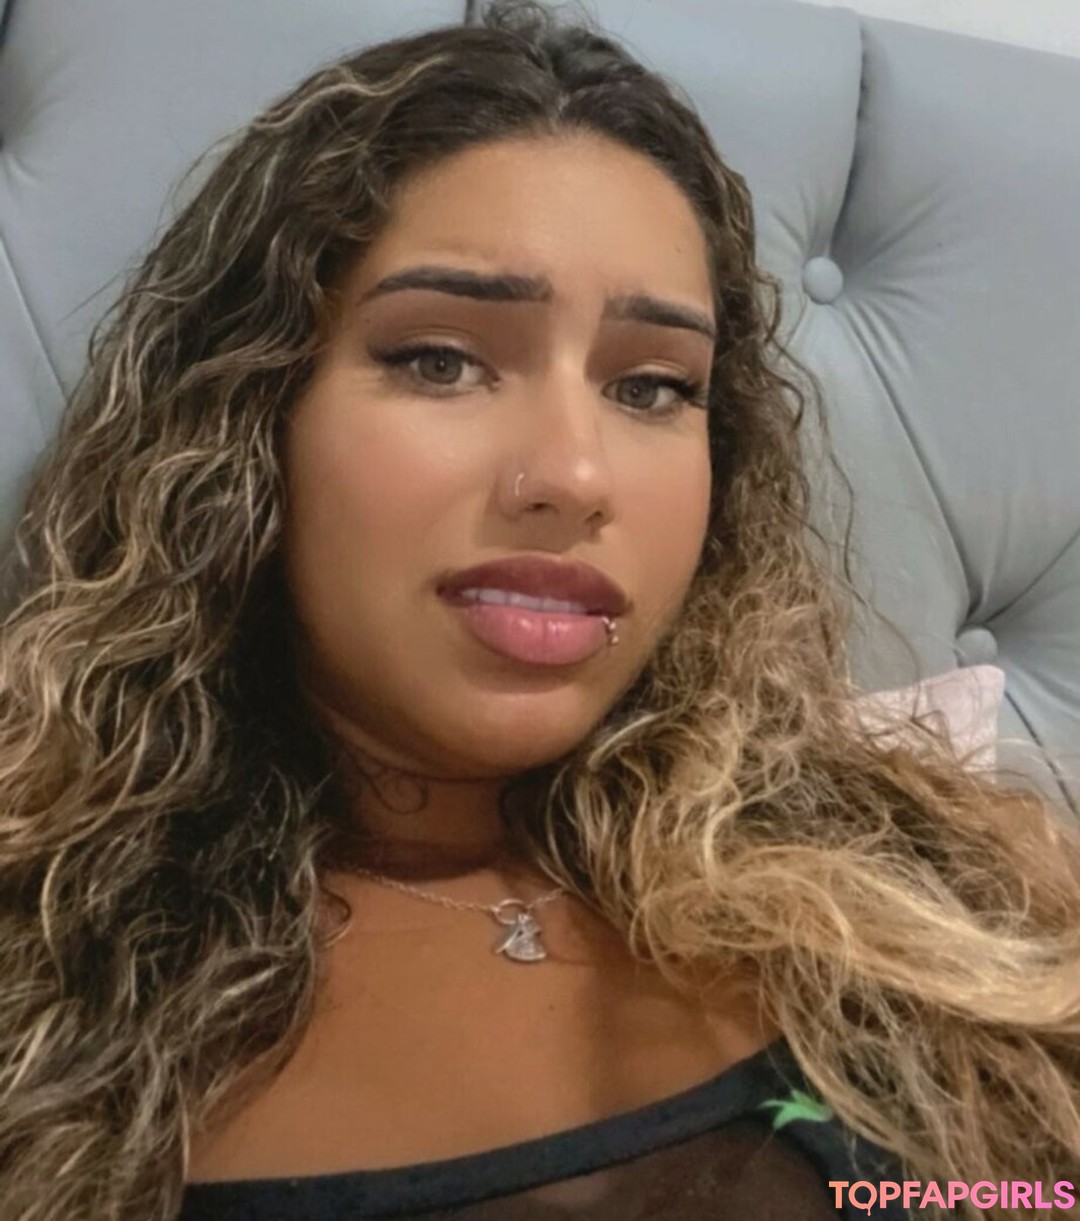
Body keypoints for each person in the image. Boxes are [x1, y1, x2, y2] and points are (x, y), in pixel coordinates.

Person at [1, 2, 1078, 1218]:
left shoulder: (936, 888)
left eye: (652, 386)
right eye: (440, 359)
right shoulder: (41, 986)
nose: (572, 474)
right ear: (250, 419)